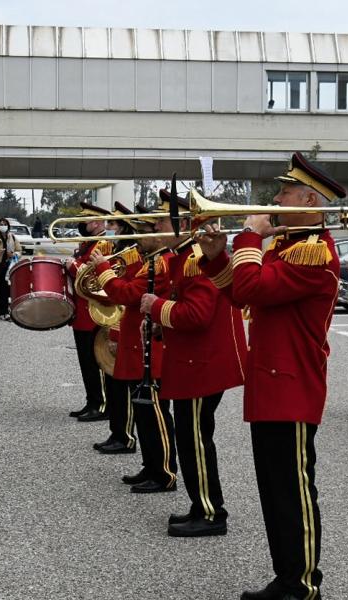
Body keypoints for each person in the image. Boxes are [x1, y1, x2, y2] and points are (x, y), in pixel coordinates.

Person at [197, 151, 343, 600]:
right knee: (274, 492)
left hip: (293, 384)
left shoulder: (313, 252)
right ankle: (286, 578)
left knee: (293, 491)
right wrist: (218, 258)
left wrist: (245, 237)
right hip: (272, 381)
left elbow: (251, 287)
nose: (274, 198)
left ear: (308, 201)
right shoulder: (286, 248)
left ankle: (303, 584)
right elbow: (240, 296)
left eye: (283, 192)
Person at [140, 189, 247, 537]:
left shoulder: (194, 258)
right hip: (194, 361)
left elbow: (198, 316)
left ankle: (211, 512)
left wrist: (155, 307)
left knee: (196, 440)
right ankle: (201, 504)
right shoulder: (186, 255)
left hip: (201, 365)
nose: (155, 228)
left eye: (161, 221)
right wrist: (162, 322)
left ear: (183, 224)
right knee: (191, 439)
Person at [94, 211, 177, 493]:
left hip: (150, 347)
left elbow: (128, 294)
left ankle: (164, 472)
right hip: (136, 341)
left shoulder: (163, 263)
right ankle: (151, 465)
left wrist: (104, 271)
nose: (140, 237)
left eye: (148, 230)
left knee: (155, 414)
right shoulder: (152, 261)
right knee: (143, 413)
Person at [95, 202, 140, 454]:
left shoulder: (131, 255)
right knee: (113, 384)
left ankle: (125, 436)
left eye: (112, 224)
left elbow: (126, 294)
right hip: (115, 320)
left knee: (124, 387)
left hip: (124, 322)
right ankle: (117, 432)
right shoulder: (116, 250)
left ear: (124, 227)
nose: (108, 228)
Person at [64, 202, 114, 422]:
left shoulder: (103, 244)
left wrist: (71, 266)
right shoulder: (89, 243)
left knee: (96, 360)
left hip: (94, 311)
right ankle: (91, 400)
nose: (82, 224)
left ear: (95, 222)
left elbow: (92, 277)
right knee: (86, 361)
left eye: (85, 220)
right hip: (83, 312)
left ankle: (102, 404)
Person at [0, 217, 22, 321]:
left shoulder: (12, 237)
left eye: (5, 224)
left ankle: (5, 311)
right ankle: (1, 312)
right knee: (0, 289)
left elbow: (19, 250)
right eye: (1, 224)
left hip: (9, 266)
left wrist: (13, 254)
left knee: (7, 289)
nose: (3, 226)